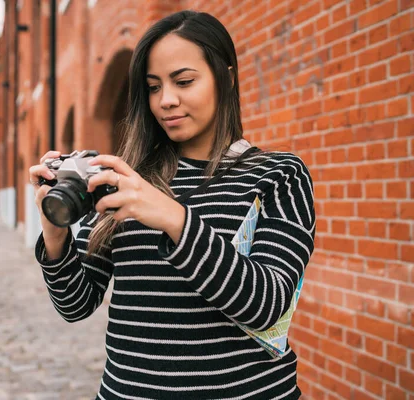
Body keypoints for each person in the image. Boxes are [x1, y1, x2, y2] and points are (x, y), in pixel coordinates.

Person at [29, 10, 315, 399]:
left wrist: (174, 218)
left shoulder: (278, 175)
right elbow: (75, 304)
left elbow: (267, 306)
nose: (166, 100)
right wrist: (55, 228)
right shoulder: (125, 181)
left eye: (183, 81)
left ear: (226, 78)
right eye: (152, 87)